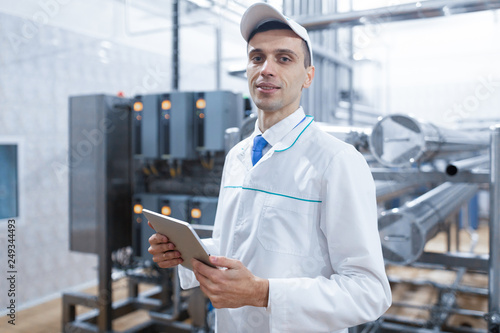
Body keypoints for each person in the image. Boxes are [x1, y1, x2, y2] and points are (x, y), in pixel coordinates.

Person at [148, 3, 391, 332]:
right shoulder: (237, 156)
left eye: (284, 58)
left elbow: (369, 292)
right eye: (257, 57)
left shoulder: (337, 161)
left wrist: (263, 293)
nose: (266, 69)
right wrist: (188, 252)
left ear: (308, 76)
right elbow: (235, 244)